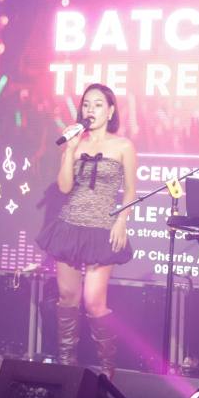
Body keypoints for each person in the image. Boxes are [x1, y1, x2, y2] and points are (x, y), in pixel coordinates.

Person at [36, 83, 137, 379]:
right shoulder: (76, 143)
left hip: (102, 228)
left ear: (110, 111)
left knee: (94, 302)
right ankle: (67, 366)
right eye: (86, 104)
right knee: (68, 297)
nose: (90, 110)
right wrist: (69, 151)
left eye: (98, 104)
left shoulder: (123, 146)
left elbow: (131, 190)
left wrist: (122, 221)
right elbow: (65, 186)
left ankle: (107, 369)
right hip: (70, 226)